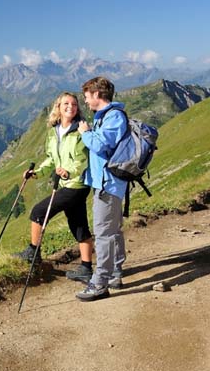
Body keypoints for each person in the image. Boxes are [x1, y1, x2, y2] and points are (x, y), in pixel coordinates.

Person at [14, 92, 93, 277]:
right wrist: (37, 173)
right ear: (58, 107)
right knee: (79, 226)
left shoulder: (80, 131)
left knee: (38, 212)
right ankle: (86, 269)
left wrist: (68, 171)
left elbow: (83, 160)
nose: (70, 107)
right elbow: (51, 159)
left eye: (74, 104)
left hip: (76, 185)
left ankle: (33, 253)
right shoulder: (53, 131)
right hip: (70, 185)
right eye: (66, 103)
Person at [76, 76, 127, 302]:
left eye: (87, 96)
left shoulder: (114, 117)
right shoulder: (106, 117)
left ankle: (100, 283)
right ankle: (115, 272)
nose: (85, 101)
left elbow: (100, 145)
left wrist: (85, 132)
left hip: (108, 185)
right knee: (113, 231)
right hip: (107, 183)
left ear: (97, 94)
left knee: (104, 234)